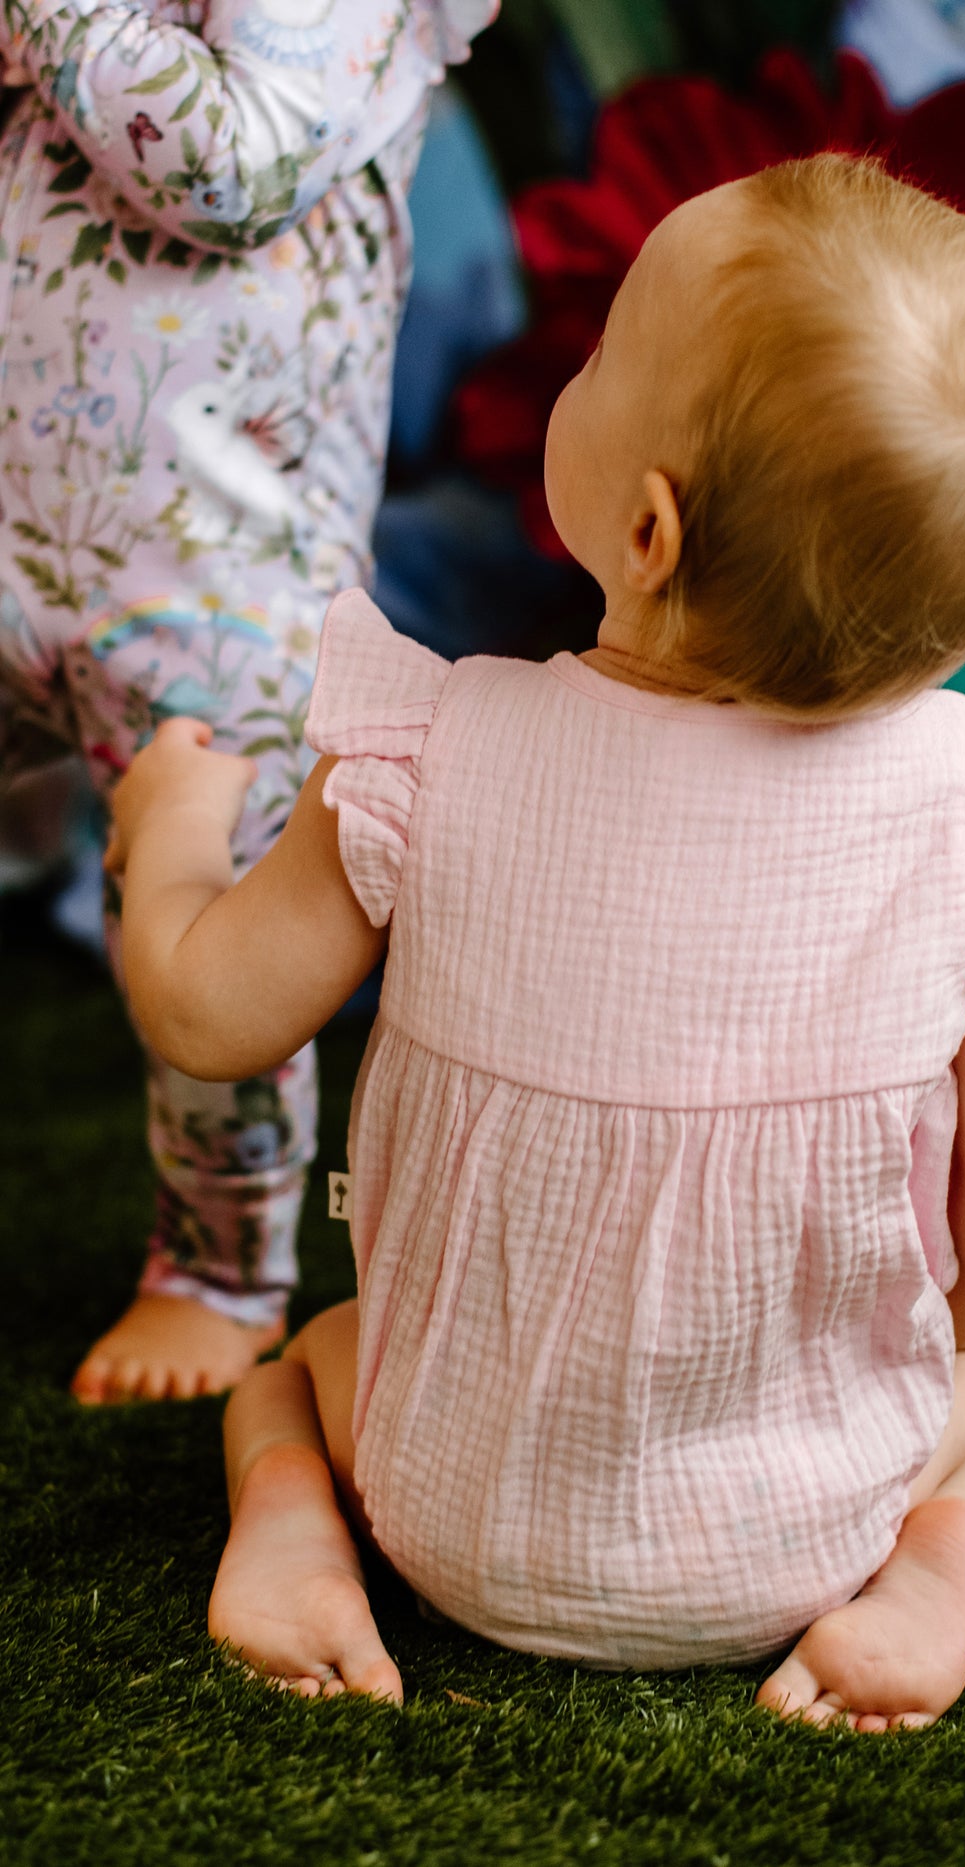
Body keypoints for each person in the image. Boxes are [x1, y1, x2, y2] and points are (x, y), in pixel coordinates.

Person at [105, 154, 965, 1727]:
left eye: (593, 360)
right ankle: (930, 1581)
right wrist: (939, 1317)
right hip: (805, 1534)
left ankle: (295, 1522)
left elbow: (208, 1012)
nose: (572, 373)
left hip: (443, 1517)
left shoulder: (433, 748)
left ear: (645, 530)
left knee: (304, 1357)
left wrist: (163, 835)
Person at [0, 0, 496, 1402]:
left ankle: (217, 1267)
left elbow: (235, 166)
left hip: (221, 582)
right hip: (18, 536)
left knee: (223, 927)